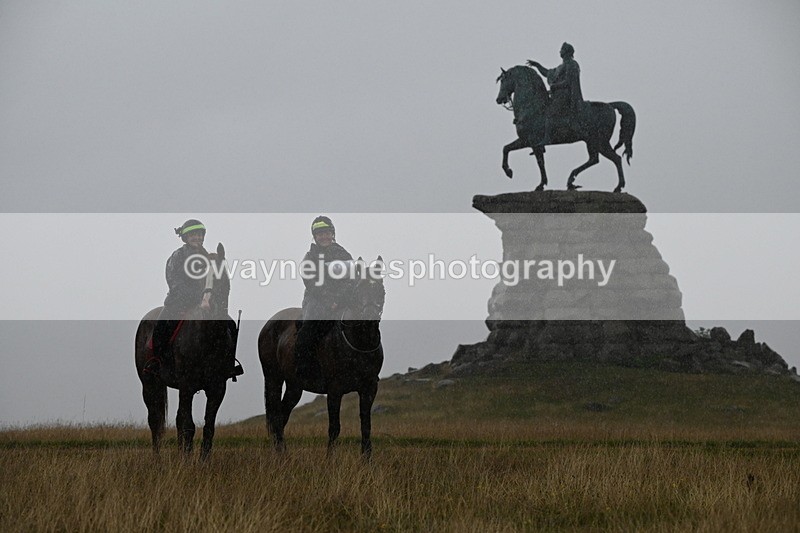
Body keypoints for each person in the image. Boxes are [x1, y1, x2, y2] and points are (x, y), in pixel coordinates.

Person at [147, 219, 241, 380]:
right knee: (162, 325)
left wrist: (213, 296)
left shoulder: (208, 257)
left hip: (205, 302)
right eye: (193, 234)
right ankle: (157, 361)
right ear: (185, 237)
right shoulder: (177, 256)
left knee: (230, 325)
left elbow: (214, 281)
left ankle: (227, 364)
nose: (197, 237)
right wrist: (197, 296)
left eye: (199, 234)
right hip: (178, 303)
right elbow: (174, 282)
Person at [294, 215, 354, 378]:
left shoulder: (343, 254)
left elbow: (351, 279)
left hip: (341, 300)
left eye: (327, 233)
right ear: (315, 237)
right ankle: (302, 366)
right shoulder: (310, 257)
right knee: (309, 330)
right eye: (320, 234)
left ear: (332, 234)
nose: (324, 236)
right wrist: (330, 302)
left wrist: (339, 300)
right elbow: (313, 284)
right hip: (317, 301)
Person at [527, 42, 587, 147]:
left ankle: (547, 138)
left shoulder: (572, 64)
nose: (560, 51)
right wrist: (537, 65)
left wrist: (555, 86)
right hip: (558, 96)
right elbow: (547, 73)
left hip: (566, 96)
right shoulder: (561, 66)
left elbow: (568, 82)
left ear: (567, 52)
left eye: (562, 49)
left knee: (549, 113)